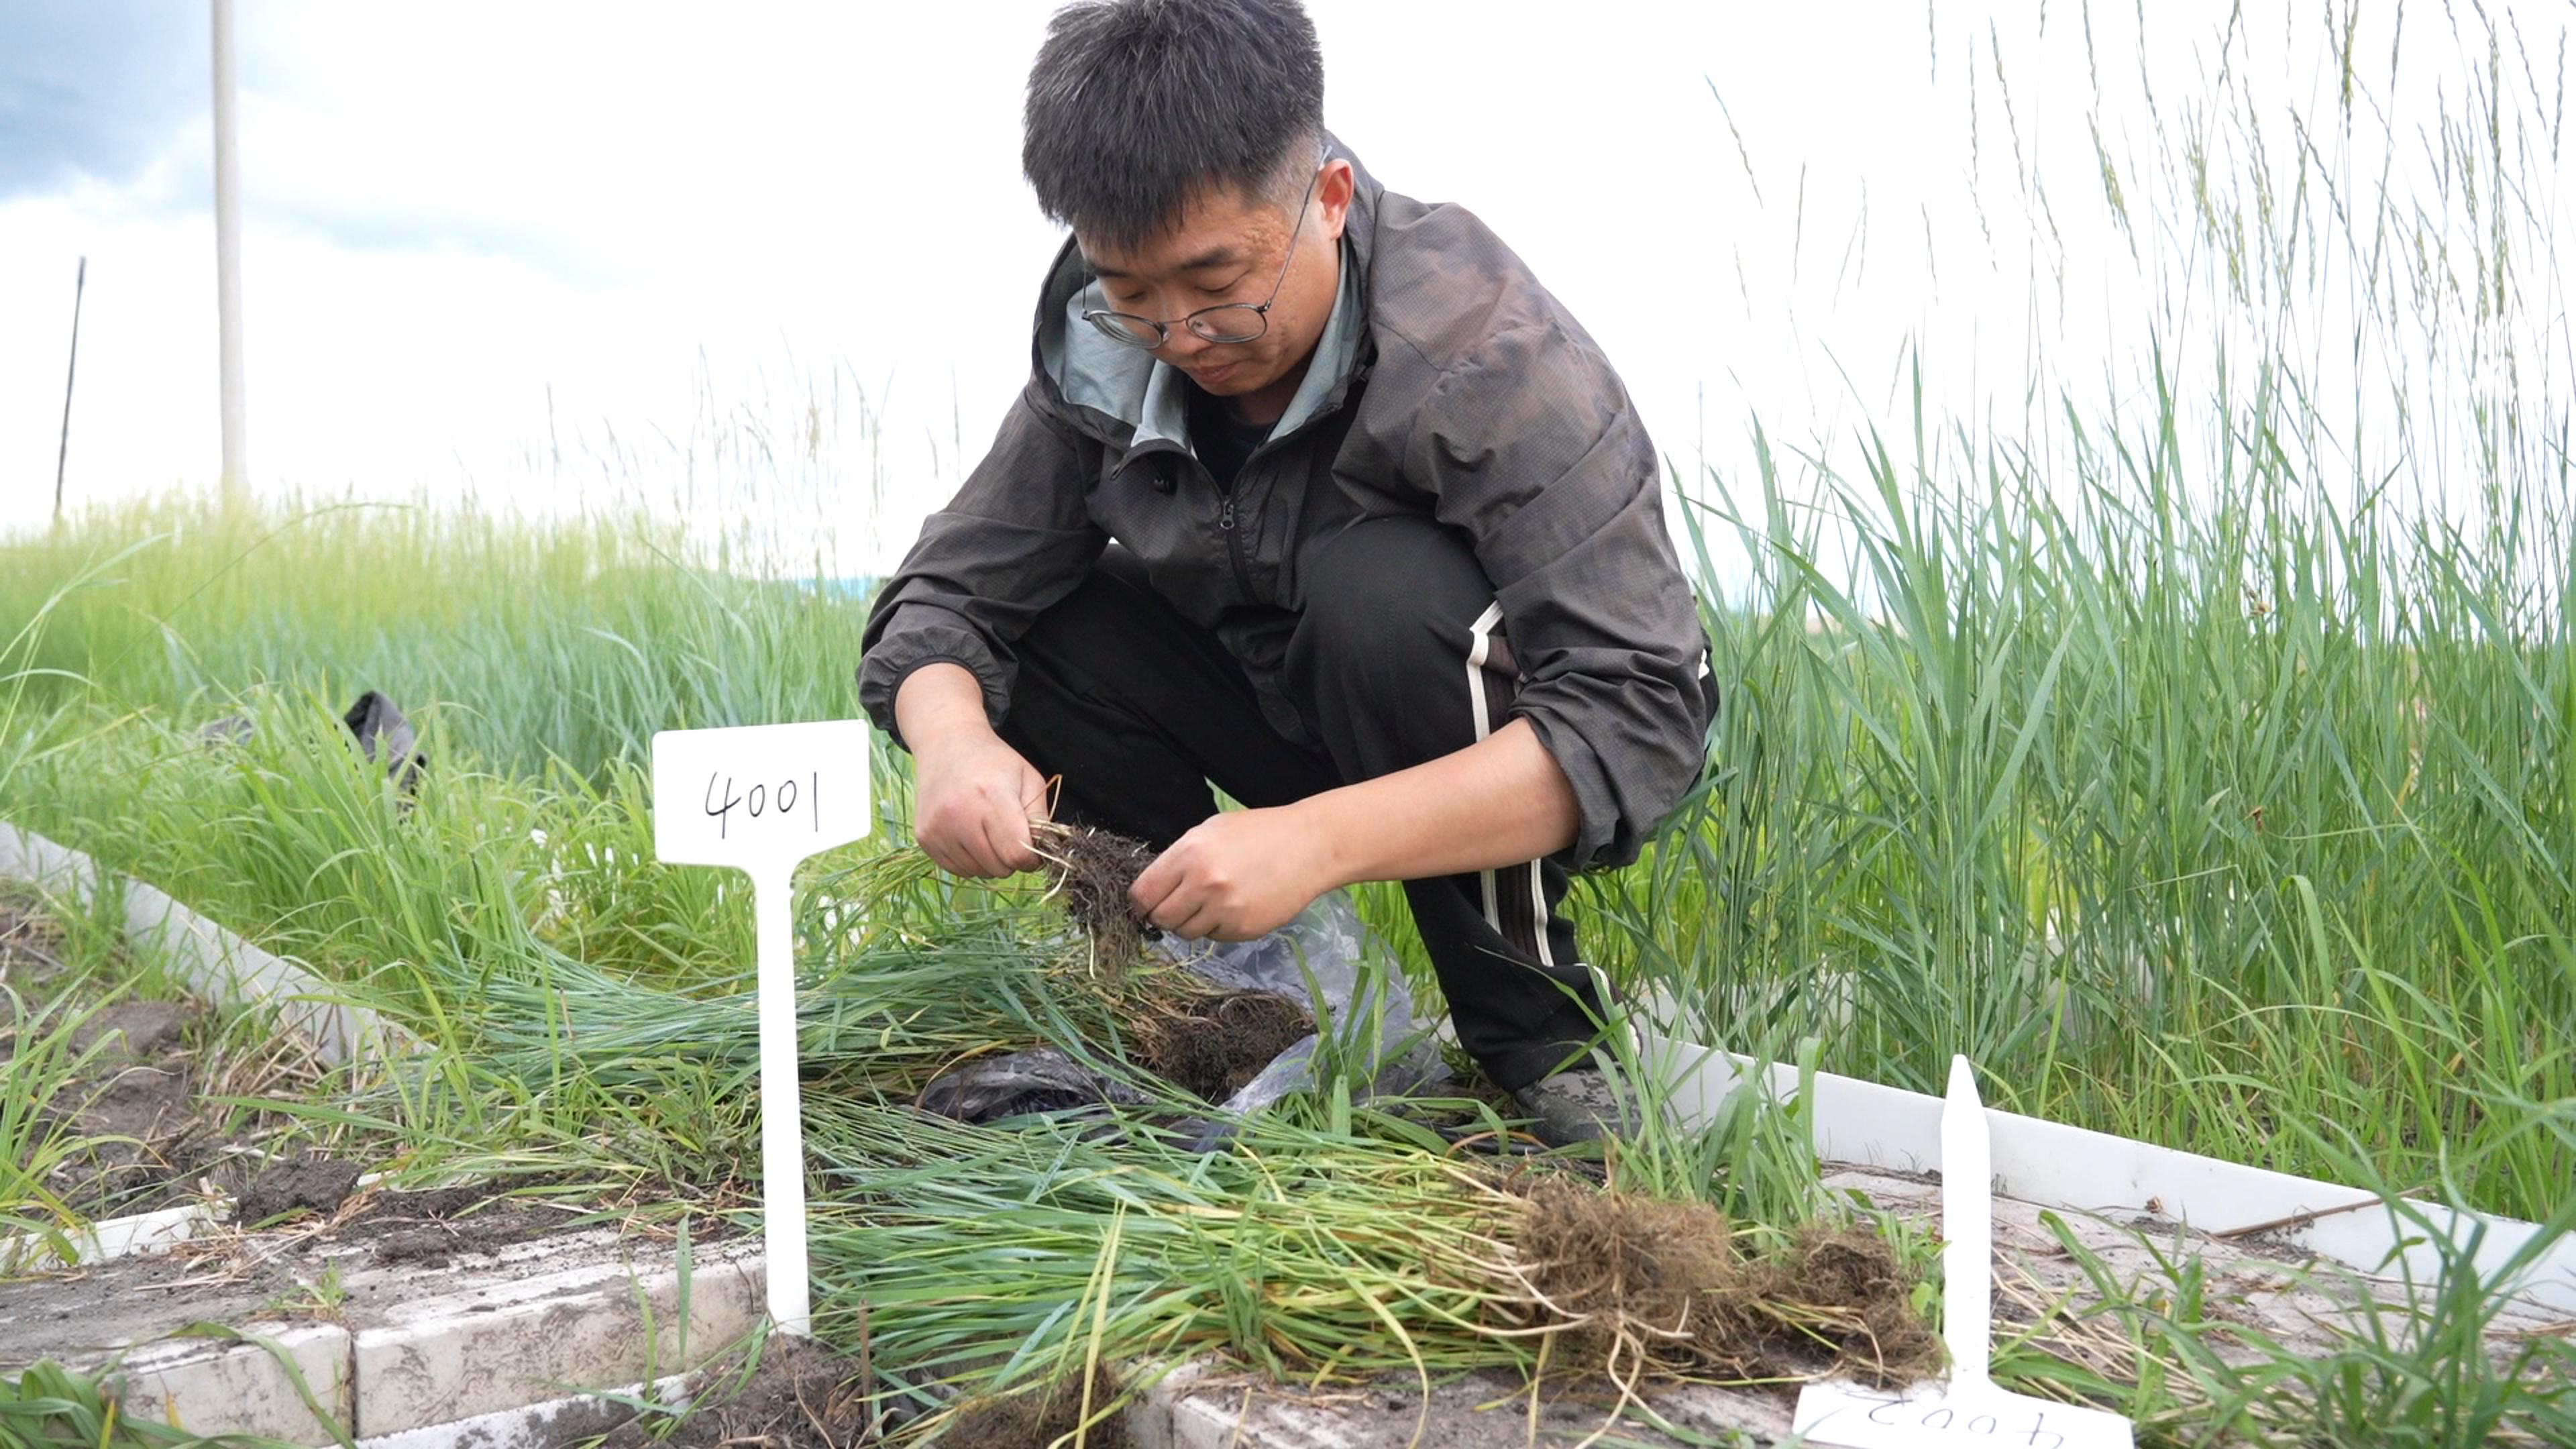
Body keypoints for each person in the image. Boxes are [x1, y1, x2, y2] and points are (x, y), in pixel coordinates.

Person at [857, 0, 1717, 1146]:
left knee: (1387, 599)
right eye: (1132, 293)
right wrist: (953, 741)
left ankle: (1543, 1043)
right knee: (1037, 630)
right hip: (1261, 700)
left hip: (1443, 710)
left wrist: (1313, 841)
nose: (1183, 335)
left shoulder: (1486, 353)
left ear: (1330, 198)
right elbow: (946, 595)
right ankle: (1227, 1004)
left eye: (1218, 280)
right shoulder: (1101, 353)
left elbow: (1641, 709)